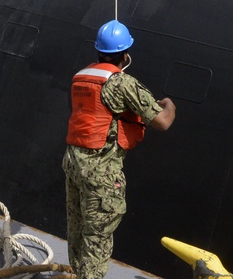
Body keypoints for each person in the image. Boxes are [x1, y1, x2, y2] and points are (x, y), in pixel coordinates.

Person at [63, 21, 175, 279]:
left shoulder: (81, 76)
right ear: (126, 54)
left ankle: (78, 275)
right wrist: (169, 105)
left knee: (78, 230)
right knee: (98, 238)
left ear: (98, 50)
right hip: (101, 171)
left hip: (74, 163)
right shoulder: (122, 83)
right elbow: (162, 121)